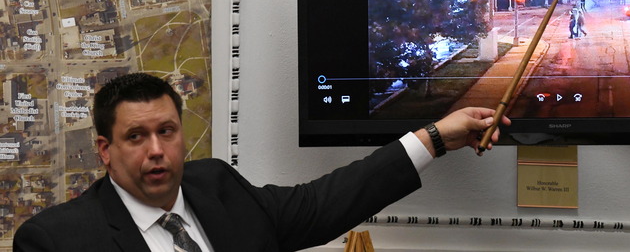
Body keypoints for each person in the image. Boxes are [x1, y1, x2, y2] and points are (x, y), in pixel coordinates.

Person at [13, 73, 509, 252]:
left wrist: (433, 139)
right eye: (136, 137)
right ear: (105, 150)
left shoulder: (217, 187)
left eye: (166, 131)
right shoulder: (57, 240)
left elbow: (323, 203)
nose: (156, 150)